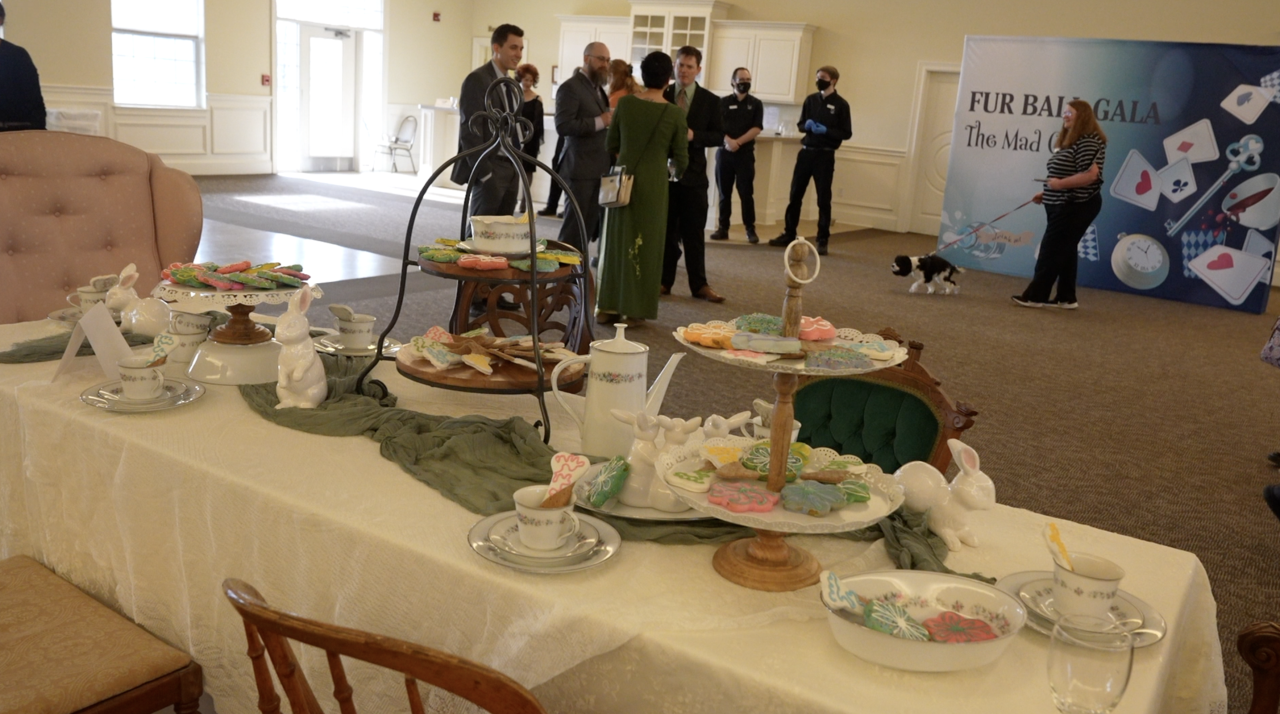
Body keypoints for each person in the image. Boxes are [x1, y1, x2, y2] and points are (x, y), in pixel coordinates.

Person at [595, 52, 689, 325]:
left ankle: (607, 307)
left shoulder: (624, 105)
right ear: (668, 79)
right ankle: (635, 311)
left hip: (621, 180)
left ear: (642, 75)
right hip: (653, 185)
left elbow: (610, 144)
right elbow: (681, 158)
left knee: (615, 241)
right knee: (646, 245)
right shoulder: (674, 113)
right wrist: (673, 172)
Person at [1013, 99, 1107, 309]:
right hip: (1060, 203)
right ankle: (1066, 297)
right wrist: (1046, 192)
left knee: (1051, 249)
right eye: (1064, 112)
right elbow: (1062, 175)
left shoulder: (1089, 140)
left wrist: (1059, 185)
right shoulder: (1072, 141)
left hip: (1077, 204)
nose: (1064, 116)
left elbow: (1090, 175)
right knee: (1065, 249)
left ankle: (1036, 296)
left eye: (1069, 112)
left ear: (1081, 116)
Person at [661, 46, 725, 303]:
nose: (684, 70)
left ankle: (700, 285)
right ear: (674, 67)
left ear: (698, 70)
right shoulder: (662, 94)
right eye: (680, 65)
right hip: (663, 176)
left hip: (695, 177)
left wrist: (694, 136)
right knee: (665, 232)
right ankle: (664, 281)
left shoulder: (711, 101)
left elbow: (719, 135)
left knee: (694, 234)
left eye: (689, 66)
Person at [769, 66, 852, 256]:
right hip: (806, 152)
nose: (819, 80)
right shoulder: (811, 100)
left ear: (833, 80)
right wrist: (804, 126)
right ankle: (789, 233)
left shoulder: (841, 105)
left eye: (823, 77)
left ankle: (823, 238)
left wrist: (827, 131)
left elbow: (846, 133)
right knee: (795, 194)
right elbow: (800, 124)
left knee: (823, 198)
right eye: (817, 77)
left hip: (825, 154)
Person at [451, 24, 524, 219]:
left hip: (512, 167)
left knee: (503, 234)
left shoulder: (513, 85)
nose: (519, 54)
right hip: (490, 168)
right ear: (497, 48)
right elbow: (470, 131)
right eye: (513, 47)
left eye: (521, 48)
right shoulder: (478, 79)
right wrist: (484, 173)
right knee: (478, 235)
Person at [554, 42, 613, 253]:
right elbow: (563, 125)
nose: (605, 64)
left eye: (607, 60)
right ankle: (559, 279)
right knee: (572, 229)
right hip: (578, 169)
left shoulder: (598, 89)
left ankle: (574, 278)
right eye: (600, 59)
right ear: (586, 58)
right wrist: (601, 121)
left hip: (598, 169)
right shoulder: (570, 88)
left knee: (586, 229)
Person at [710, 67, 763, 244]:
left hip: (745, 155)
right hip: (724, 153)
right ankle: (723, 228)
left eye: (748, 79)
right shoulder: (721, 103)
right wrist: (729, 141)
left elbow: (757, 128)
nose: (744, 83)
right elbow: (716, 127)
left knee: (746, 193)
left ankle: (750, 229)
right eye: (741, 79)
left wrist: (738, 142)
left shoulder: (756, 104)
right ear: (733, 82)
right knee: (724, 193)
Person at [0, 1, 47, 132]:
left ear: (1, 20)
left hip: (15, 131)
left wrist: (38, 135)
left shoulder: (17, 56)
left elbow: (35, 102)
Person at [514, 63, 544, 215]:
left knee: (527, 173)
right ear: (519, 78)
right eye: (525, 79)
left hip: (530, 141)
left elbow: (538, 124)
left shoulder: (537, 99)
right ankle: (511, 199)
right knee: (512, 170)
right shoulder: (513, 96)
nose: (527, 83)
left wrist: (527, 138)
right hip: (513, 139)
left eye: (530, 80)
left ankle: (524, 203)